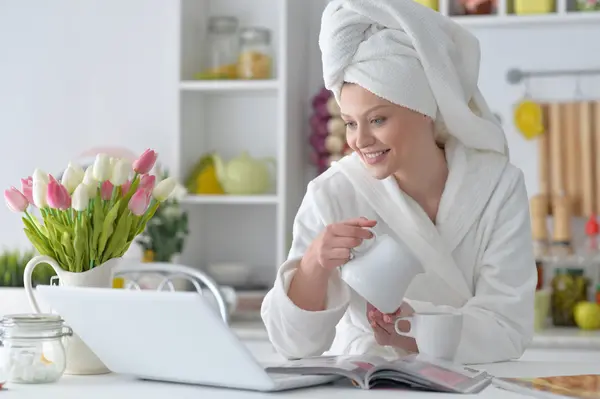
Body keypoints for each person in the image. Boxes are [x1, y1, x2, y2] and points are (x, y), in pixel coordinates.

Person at [261, 0, 536, 365]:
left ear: (425, 110)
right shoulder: (333, 193)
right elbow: (291, 344)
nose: (359, 140)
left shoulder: (497, 187)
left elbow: (508, 325)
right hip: (364, 380)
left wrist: (413, 331)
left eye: (377, 120)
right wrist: (314, 264)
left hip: (470, 382)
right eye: (350, 122)